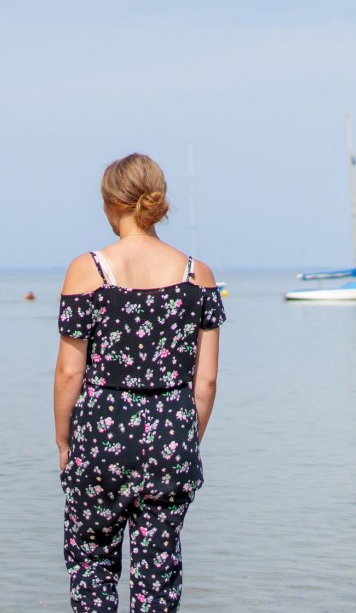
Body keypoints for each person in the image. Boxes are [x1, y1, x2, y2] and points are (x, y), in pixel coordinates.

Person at [55, 153, 224, 612]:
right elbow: (204, 383)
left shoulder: (87, 270)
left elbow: (70, 371)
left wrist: (64, 442)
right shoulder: (198, 275)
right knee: (158, 577)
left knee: (92, 568)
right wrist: (185, 438)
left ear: (112, 203)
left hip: (100, 439)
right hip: (172, 434)